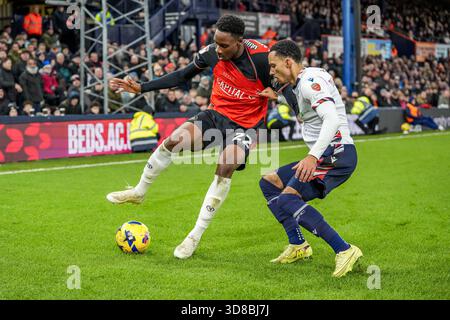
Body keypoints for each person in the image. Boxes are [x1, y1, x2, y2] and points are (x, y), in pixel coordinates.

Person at [107, 15, 294, 260]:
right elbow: (182, 76)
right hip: (215, 115)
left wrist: (277, 96)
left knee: (225, 165)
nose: (218, 49)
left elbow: (290, 85)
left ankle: (195, 235)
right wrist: (142, 87)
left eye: (224, 45)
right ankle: (139, 192)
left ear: (239, 42)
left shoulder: (261, 58)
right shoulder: (212, 53)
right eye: (216, 43)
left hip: (246, 126)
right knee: (173, 141)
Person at [258, 40, 362, 278]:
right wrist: (275, 96)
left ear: (288, 62)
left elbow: (332, 119)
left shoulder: (309, 82)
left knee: (286, 200)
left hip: (336, 154)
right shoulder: (297, 84)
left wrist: (312, 156)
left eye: (273, 66)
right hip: (325, 152)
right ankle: (298, 246)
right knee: (269, 182)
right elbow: (302, 106)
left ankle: (345, 250)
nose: (271, 71)